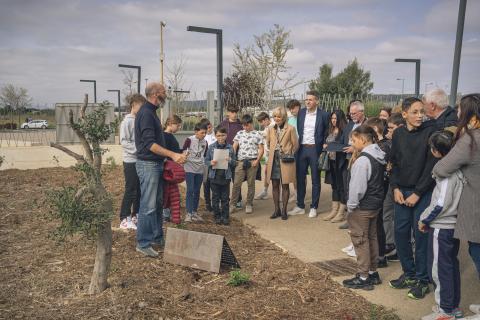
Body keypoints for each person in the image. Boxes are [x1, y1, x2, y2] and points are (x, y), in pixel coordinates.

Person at [431, 93, 480, 317]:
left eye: (460, 109)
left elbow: (442, 168)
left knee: (477, 250)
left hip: (476, 207)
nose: (457, 113)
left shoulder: (471, 139)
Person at [389, 97, 438, 300]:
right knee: (400, 233)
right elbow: (393, 162)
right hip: (402, 192)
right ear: (404, 114)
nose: (420, 116)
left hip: (422, 193)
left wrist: (418, 193)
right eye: (415, 112)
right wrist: (395, 187)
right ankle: (409, 274)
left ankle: (422, 279)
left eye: (422, 112)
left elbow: (431, 166)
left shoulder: (430, 132)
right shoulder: (398, 134)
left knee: (421, 236)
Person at [134, 82, 186, 257]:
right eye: (164, 92)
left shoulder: (151, 112)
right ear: (156, 94)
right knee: (148, 206)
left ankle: (156, 237)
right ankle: (143, 243)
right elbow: (150, 145)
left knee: (156, 204)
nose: (166, 94)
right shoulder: (146, 114)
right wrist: (172, 155)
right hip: (148, 165)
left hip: (155, 165)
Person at [418, 131, 464, 320]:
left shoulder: (446, 171)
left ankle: (445, 310)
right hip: (452, 225)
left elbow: (440, 203)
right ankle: (452, 307)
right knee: (450, 266)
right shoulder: (458, 168)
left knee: (439, 268)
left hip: (442, 227)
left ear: (437, 151)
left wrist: (425, 219)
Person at [342, 125, 385, 291]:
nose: (352, 143)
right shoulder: (378, 156)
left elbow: (357, 188)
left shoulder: (362, 160)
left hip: (362, 206)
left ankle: (363, 276)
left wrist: (351, 206)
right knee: (372, 237)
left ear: (363, 139)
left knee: (360, 240)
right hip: (375, 205)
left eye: (354, 140)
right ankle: (373, 272)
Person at [288, 90, 329, 218]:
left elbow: (327, 131)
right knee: (300, 179)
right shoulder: (301, 113)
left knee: (316, 179)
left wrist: (324, 145)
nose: (308, 101)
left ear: (317, 101)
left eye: (310, 99)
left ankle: (314, 207)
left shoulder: (324, 115)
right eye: (306, 99)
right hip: (301, 150)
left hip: (315, 150)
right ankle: (300, 205)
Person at [335, 100, 368, 226]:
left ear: (362, 112)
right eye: (350, 113)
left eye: (354, 113)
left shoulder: (367, 124)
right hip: (346, 161)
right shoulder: (349, 125)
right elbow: (343, 140)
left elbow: (371, 143)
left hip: (361, 162)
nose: (352, 115)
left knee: (358, 189)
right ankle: (350, 218)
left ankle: (357, 219)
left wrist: (355, 148)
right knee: (347, 188)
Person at [365, 117, 391, 268]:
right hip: (379, 186)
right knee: (377, 222)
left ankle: (380, 255)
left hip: (380, 187)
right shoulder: (380, 145)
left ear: (375, 129)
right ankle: (379, 254)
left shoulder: (382, 147)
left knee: (378, 222)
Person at [265, 107, 298, 220]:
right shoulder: (270, 129)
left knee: (285, 185)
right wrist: (274, 150)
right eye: (275, 116)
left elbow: (296, 145)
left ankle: (284, 211)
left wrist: (289, 153)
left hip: (285, 160)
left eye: (279, 116)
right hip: (274, 159)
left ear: (283, 117)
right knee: (274, 185)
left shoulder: (291, 129)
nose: (276, 118)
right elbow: (268, 143)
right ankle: (276, 210)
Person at [119, 94, 146, 230]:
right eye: (140, 106)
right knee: (130, 189)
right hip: (130, 161)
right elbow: (124, 141)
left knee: (139, 189)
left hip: (140, 159)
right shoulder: (127, 122)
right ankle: (124, 218)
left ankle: (135, 215)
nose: (142, 109)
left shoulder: (139, 120)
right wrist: (139, 150)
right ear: (133, 105)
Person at [382, 113, 405, 262]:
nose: (387, 132)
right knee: (386, 212)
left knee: (401, 219)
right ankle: (390, 244)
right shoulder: (388, 142)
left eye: (391, 128)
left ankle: (401, 248)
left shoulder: (405, 143)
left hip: (400, 185)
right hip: (391, 183)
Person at [230, 114, 264, 214]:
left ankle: (249, 204)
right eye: (243, 125)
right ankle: (232, 204)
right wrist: (234, 158)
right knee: (236, 183)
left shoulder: (257, 134)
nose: (245, 127)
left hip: (252, 162)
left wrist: (257, 161)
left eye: (247, 125)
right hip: (241, 161)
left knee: (251, 184)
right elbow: (234, 146)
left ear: (251, 123)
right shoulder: (240, 133)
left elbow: (261, 149)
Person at [205, 126, 236, 225]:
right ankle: (217, 216)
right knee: (215, 198)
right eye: (218, 135)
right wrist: (211, 163)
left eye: (223, 135)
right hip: (214, 177)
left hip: (225, 177)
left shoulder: (230, 147)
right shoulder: (211, 147)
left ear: (226, 135)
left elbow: (235, 163)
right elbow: (205, 161)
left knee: (225, 198)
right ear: (215, 136)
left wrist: (230, 161)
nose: (221, 138)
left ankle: (225, 217)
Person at [323, 109, 348, 222]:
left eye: (335, 118)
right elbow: (326, 142)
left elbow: (343, 146)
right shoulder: (330, 130)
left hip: (341, 162)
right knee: (334, 186)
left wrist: (331, 146)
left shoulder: (345, 131)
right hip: (331, 162)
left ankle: (341, 212)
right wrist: (325, 145)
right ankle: (334, 210)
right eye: (332, 118)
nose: (333, 120)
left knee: (341, 186)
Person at [183, 122, 208, 222]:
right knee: (190, 190)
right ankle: (188, 213)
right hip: (189, 168)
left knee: (197, 191)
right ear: (196, 132)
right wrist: (185, 154)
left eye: (205, 133)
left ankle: (194, 212)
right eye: (202, 133)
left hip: (200, 169)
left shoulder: (205, 142)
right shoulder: (189, 140)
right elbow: (184, 150)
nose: (204, 135)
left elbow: (205, 155)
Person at [219, 105, 244, 208]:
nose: (234, 114)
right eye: (232, 112)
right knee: (224, 178)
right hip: (224, 154)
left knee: (236, 179)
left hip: (237, 156)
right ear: (228, 112)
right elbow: (219, 137)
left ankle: (238, 200)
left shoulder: (240, 125)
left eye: (236, 112)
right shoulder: (223, 124)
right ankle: (224, 200)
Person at [162, 115, 183, 223]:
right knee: (167, 192)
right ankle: (165, 214)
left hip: (171, 168)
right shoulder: (165, 136)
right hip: (168, 169)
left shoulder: (169, 136)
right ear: (170, 124)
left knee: (171, 192)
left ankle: (168, 213)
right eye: (178, 125)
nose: (179, 128)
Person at [255, 112, 273, 200]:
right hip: (268, 154)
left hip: (273, 154)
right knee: (266, 172)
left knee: (276, 173)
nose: (261, 124)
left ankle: (280, 193)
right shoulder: (266, 127)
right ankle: (265, 191)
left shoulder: (273, 125)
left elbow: (267, 135)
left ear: (266, 119)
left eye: (261, 122)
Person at [200, 118, 216, 212]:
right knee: (206, 184)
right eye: (207, 128)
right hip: (205, 163)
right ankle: (207, 203)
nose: (209, 129)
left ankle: (215, 202)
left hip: (214, 163)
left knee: (214, 183)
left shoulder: (216, 135)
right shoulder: (202, 137)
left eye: (210, 127)